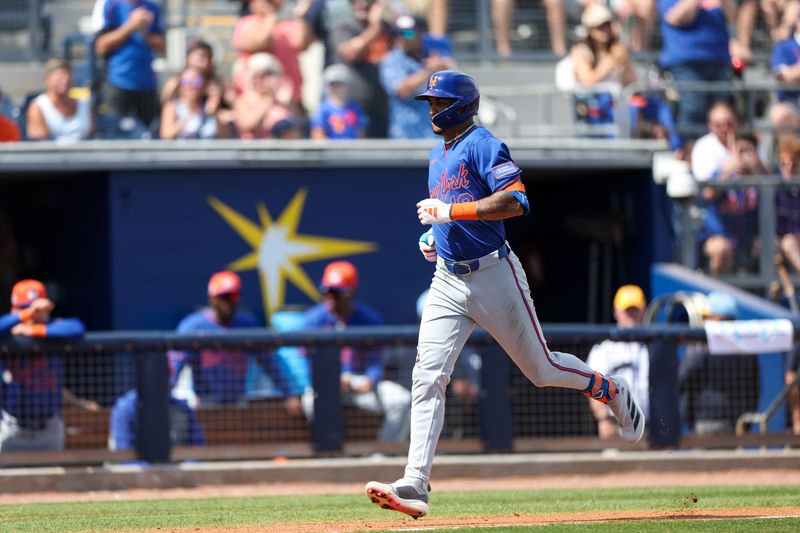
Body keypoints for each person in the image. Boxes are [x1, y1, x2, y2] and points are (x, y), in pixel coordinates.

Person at [365, 70, 645, 518]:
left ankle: (608, 389)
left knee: (542, 368)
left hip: (495, 273)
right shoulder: (438, 155)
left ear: (460, 105)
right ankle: (415, 482)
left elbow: (516, 201)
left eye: (439, 102)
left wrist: (450, 211)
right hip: (448, 279)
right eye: (431, 103)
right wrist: (438, 235)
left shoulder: (483, 143)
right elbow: (452, 215)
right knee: (427, 377)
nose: (432, 110)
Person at [300, 261, 411, 442]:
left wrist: (370, 378)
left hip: (360, 383)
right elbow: (306, 361)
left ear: (351, 293)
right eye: (327, 291)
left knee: (402, 400)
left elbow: (376, 358)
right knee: (310, 400)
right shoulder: (313, 319)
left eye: (337, 292)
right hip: (326, 385)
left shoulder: (369, 319)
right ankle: (332, 452)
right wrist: (328, 379)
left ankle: (384, 454)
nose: (331, 297)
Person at [168, 271, 302, 413]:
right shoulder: (193, 326)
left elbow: (269, 362)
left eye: (233, 296)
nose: (228, 302)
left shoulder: (247, 325)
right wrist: (167, 392)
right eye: (223, 297)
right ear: (211, 298)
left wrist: (288, 394)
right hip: (204, 402)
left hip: (238, 402)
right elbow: (176, 363)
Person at [0, 280, 91, 452]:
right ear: (14, 310)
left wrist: (35, 331)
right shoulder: (8, 336)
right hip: (13, 429)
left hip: (49, 429)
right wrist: (25, 315)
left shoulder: (52, 330)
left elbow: (77, 328)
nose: (34, 315)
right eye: (25, 308)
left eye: (38, 309)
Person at [679, 291, 760, 435]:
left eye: (706, 316)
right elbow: (756, 387)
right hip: (738, 422)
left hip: (707, 421)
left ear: (717, 317)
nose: (703, 320)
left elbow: (683, 376)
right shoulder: (745, 345)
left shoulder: (702, 342)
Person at [658, 0, 733, 138]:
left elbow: (732, 16)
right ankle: (688, 151)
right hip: (686, 61)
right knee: (693, 109)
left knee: (720, 113)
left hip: (719, 60)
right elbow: (677, 18)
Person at [586, 285, 650, 440]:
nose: (631, 315)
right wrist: (603, 419)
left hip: (650, 427)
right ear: (616, 312)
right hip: (616, 427)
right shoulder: (605, 348)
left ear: (643, 310)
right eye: (627, 310)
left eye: (635, 309)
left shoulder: (653, 344)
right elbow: (592, 385)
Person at [379, 14, 454, 139]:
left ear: (421, 33)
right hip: (406, 136)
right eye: (397, 33)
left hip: (438, 135)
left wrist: (446, 68)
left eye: (408, 34)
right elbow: (401, 90)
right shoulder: (391, 61)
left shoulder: (435, 54)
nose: (402, 38)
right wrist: (430, 71)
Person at [94, 0, 165, 129]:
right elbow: (101, 46)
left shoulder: (152, 7)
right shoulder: (109, 5)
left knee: (148, 132)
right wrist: (131, 26)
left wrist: (144, 32)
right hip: (118, 81)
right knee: (117, 132)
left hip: (147, 83)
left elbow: (162, 47)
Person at [329, 0, 392, 138]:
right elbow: (349, 53)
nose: (360, 5)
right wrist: (374, 28)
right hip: (351, 110)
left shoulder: (387, 28)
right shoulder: (344, 26)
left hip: (382, 109)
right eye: (354, 1)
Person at [569, 5, 636, 133]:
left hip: (619, 103)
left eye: (606, 25)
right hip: (594, 103)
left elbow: (633, 81)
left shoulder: (618, 49)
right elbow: (587, 80)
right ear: (589, 29)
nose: (604, 30)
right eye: (599, 26)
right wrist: (610, 61)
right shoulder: (580, 50)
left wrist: (624, 61)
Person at [231, 0, 305, 106]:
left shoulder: (286, 25)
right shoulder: (247, 23)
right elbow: (262, 41)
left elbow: (302, 44)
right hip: (257, 102)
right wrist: (270, 15)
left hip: (288, 99)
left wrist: (301, 16)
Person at [108, 389, 205, 451]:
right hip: (135, 473)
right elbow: (123, 452)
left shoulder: (182, 408)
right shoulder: (126, 407)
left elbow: (198, 449)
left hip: (175, 471)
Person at [26, 58, 93, 142]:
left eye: (67, 78)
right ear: (47, 80)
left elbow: (93, 136)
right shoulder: (38, 108)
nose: (64, 82)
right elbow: (40, 145)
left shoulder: (85, 104)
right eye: (59, 79)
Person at [233, 52, 297, 139]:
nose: (260, 79)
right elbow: (250, 126)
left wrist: (288, 102)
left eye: (266, 74)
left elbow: (296, 129)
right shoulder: (243, 101)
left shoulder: (284, 101)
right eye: (256, 75)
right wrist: (269, 98)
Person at [160, 39, 228, 120]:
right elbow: (164, 101)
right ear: (189, 57)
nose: (205, 62)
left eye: (209, 58)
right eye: (201, 57)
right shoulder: (177, 80)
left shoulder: (216, 82)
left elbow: (222, 109)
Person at [159, 67, 222, 140]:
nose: (192, 86)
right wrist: (189, 116)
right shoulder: (173, 106)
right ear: (179, 86)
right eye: (187, 82)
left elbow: (225, 137)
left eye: (197, 82)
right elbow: (166, 135)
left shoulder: (209, 106)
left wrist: (215, 115)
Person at [311, 63, 366, 139]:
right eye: (333, 84)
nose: (336, 88)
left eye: (340, 84)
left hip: (352, 149)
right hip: (331, 150)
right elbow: (318, 134)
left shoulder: (355, 108)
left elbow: (360, 134)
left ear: (348, 85)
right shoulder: (322, 109)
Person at [775, 138, 800, 273]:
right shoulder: (773, 189)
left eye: (794, 164)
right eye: (784, 164)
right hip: (778, 242)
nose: (789, 169)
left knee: (790, 242)